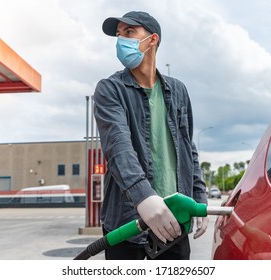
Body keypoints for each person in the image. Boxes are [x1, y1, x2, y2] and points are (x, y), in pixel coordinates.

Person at [94, 11, 209, 260]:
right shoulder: (110, 89)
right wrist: (144, 198)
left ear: (152, 39)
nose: (120, 41)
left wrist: (199, 198)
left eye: (129, 32)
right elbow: (118, 147)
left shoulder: (178, 90)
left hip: (174, 220)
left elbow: (188, 148)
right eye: (118, 35)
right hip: (127, 224)